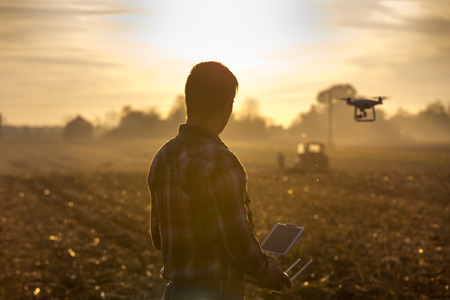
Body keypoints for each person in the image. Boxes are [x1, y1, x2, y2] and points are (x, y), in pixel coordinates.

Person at [147, 61, 291, 299]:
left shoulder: (162, 157)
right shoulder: (221, 162)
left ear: (188, 101)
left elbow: (158, 238)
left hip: (175, 293)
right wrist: (265, 269)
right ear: (227, 107)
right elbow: (237, 240)